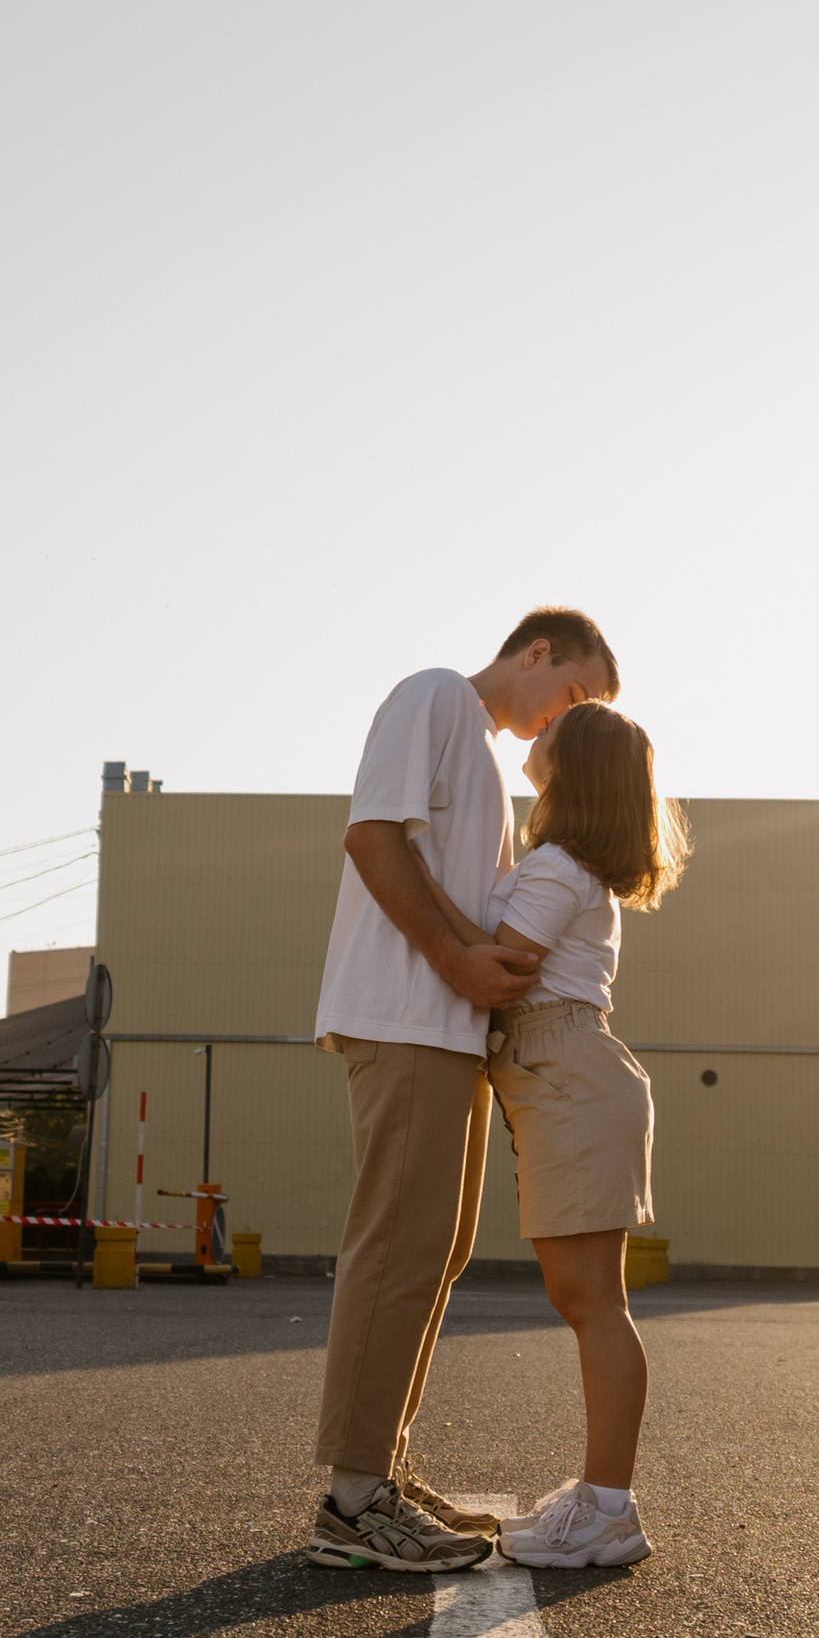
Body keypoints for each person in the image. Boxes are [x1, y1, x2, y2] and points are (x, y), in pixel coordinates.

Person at [304, 609, 620, 1572]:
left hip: (447, 1028)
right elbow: (369, 838)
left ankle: (380, 1471)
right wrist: (457, 958)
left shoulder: (488, 765)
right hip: (404, 1013)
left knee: (432, 1256)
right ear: (536, 653)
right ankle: (354, 1502)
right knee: (398, 1246)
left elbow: (473, 905)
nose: (567, 719)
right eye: (574, 693)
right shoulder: (436, 692)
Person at [483, 701, 688, 1567]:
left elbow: (494, 961)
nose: (537, 737)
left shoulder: (559, 868)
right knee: (590, 1298)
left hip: (564, 1069)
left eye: (552, 735)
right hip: (563, 1071)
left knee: (591, 1300)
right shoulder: (566, 866)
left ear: (576, 771)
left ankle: (609, 1509)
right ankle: (602, 1498)